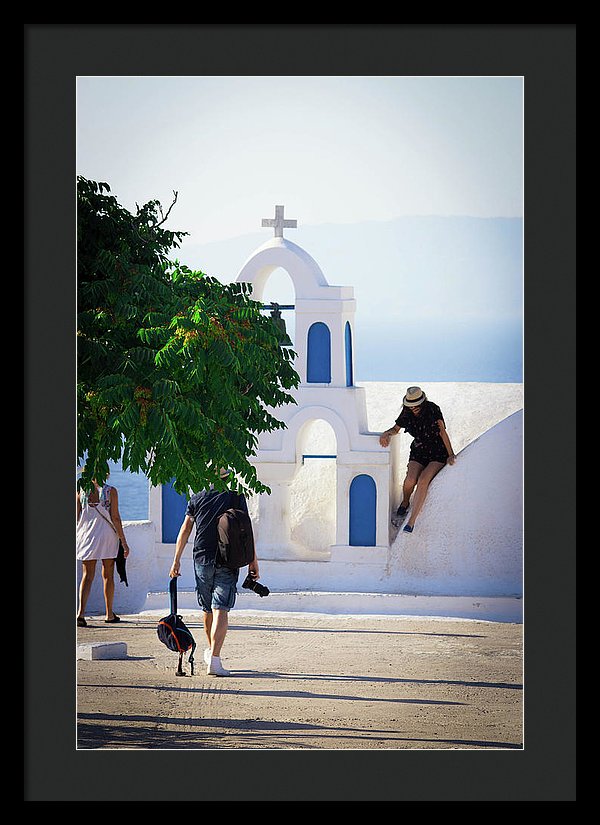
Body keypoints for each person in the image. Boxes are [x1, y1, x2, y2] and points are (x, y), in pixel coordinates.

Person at [169, 468, 260, 677]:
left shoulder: (197, 497)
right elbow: (246, 531)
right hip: (228, 559)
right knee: (221, 608)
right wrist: (253, 561)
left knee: (207, 608)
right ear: (229, 477)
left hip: (201, 558)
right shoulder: (236, 497)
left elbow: (185, 529)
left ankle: (211, 652)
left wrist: (176, 561)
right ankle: (215, 659)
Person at [379, 386, 456, 533]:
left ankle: (411, 521)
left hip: (437, 452)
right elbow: (396, 429)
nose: (413, 408)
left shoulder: (433, 409)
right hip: (419, 450)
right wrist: (386, 434)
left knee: (422, 480)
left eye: (416, 405)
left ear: (422, 402)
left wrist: (451, 454)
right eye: (410, 405)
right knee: (410, 480)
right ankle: (405, 502)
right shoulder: (407, 412)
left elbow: (442, 432)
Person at [76, 475, 131, 626]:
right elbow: (115, 518)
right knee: (108, 575)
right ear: (105, 473)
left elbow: (76, 517)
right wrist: (124, 542)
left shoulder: (80, 490)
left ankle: (80, 614)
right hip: (106, 536)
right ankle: (109, 614)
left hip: (86, 536)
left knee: (87, 575)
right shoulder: (110, 491)